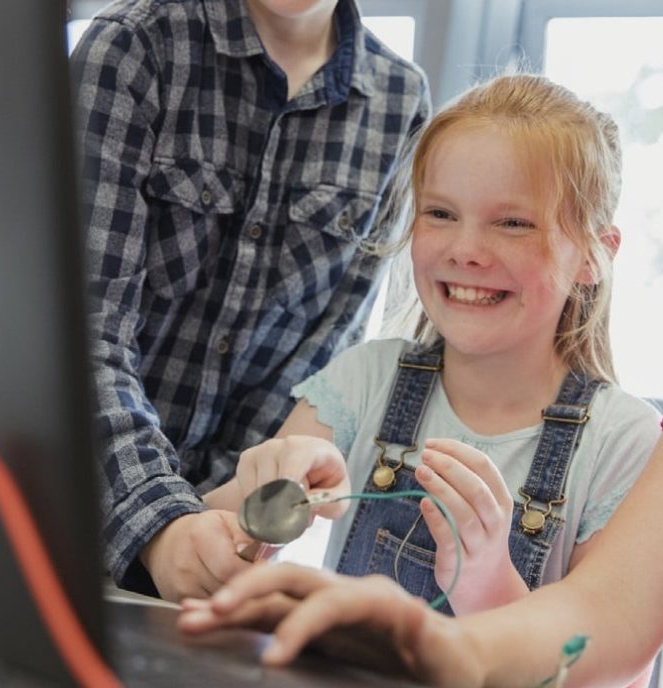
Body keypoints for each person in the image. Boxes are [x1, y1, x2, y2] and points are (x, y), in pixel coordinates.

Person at [177, 0, 663, 688]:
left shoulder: (619, 434)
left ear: (594, 255)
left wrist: (473, 608)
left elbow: (617, 672)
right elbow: (604, 617)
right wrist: (432, 639)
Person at [203, 74, 661, 623]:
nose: (465, 250)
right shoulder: (365, 379)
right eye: (441, 213)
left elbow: (608, 663)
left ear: (592, 255)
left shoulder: (623, 441)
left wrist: (489, 584)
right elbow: (210, 550)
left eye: (513, 223)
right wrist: (259, 505)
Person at [69, 0, 430, 601]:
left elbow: (319, 357)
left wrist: (225, 521)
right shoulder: (136, 45)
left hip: (219, 545)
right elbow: (79, 334)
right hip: (62, 511)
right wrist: (164, 521)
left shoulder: (400, 101)